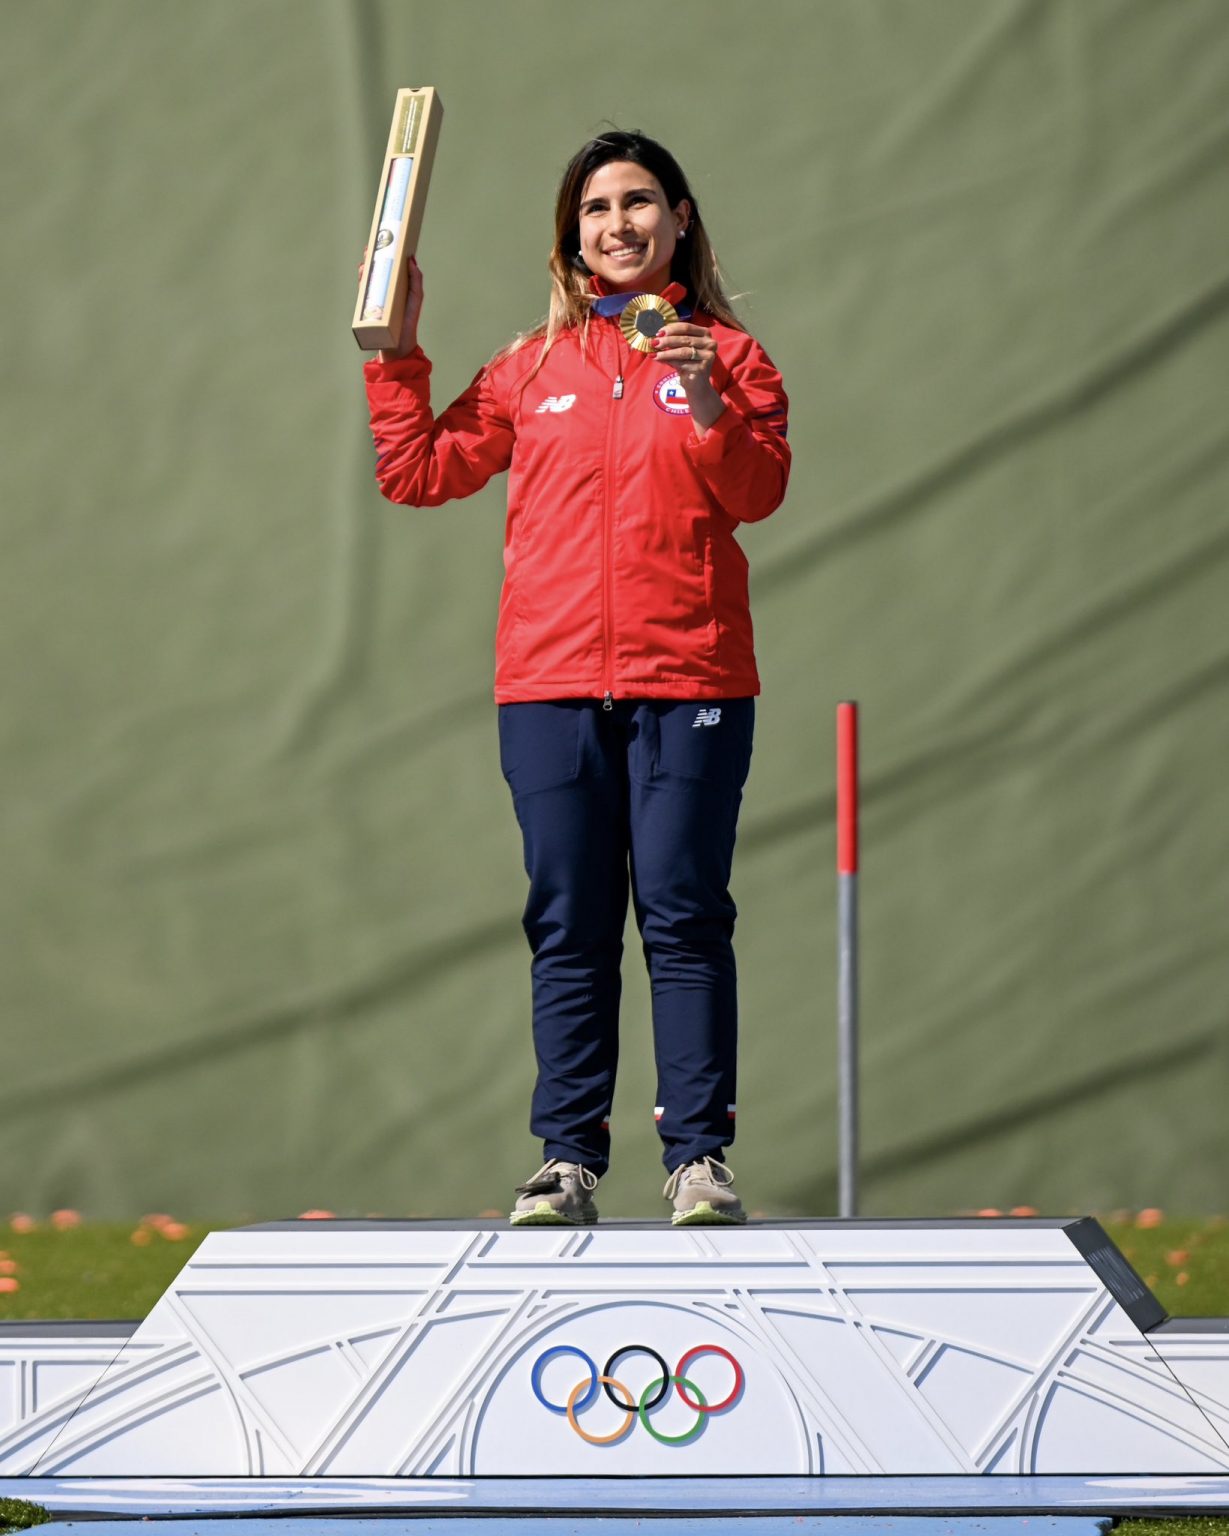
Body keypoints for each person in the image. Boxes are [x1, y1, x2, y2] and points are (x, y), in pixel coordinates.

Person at [364, 130, 789, 1226]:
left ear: (679, 220)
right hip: (548, 687)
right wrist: (395, 354)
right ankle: (565, 1161)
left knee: (685, 916)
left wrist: (700, 397)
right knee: (569, 922)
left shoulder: (731, 362)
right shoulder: (530, 368)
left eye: (638, 203)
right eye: (595, 211)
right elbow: (415, 473)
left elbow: (754, 494)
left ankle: (697, 1162)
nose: (618, 226)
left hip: (690, 676)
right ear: (573, 239)